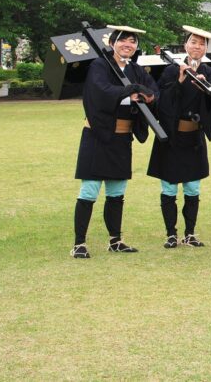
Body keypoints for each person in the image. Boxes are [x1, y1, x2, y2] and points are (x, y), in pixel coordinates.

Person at [71, 26, 159, 258]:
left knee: (116, 192)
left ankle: (115, 240)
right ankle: (79, 243)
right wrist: (128, 91)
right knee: (89, 191)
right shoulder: (100, 65)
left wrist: (149, 95)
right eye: (123, 41)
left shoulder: (136, 69)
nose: (127, 45)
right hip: (98, 135)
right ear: (112, 43)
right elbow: (100, 90)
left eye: (132, 42)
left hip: (122, 138)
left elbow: (152, 90)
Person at [147, 26, 211, 248]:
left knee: (192, 189)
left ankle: (190, 233)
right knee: (169, 188)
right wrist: (179, 81)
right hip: (171, 138)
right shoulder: (170, 70)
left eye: (202, 43)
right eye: (194, 42)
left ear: (206, 48)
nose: (197, 47)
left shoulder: (210, 72)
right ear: (185, 45)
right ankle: (171, 234)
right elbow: (161, 103)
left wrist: (204, 87)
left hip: (194, 139)